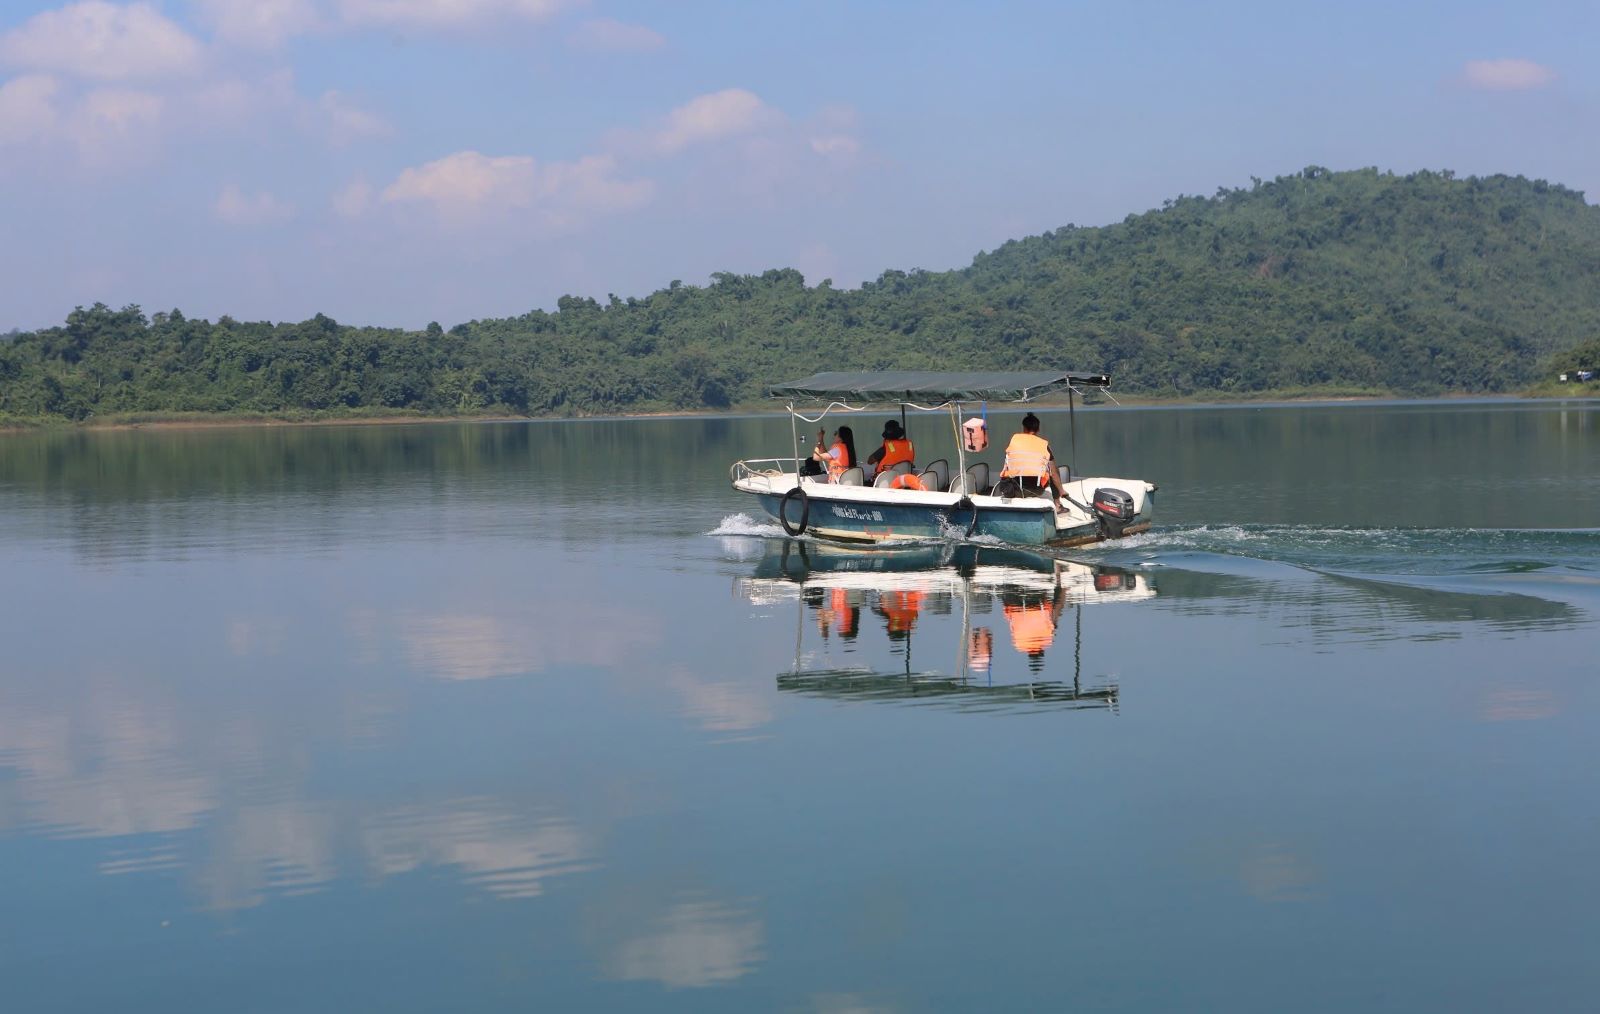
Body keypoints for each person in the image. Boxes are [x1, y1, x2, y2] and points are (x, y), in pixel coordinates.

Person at [999, 412, 1065, 508]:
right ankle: (1057, 504)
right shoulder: (1044, 445)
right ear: (1038, 429)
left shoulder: (1013, 442)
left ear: (1024, 428)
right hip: (1036, 490)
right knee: (1053, 470)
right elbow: (1054, 473)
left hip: (1013, 490)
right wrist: (1061, 491)